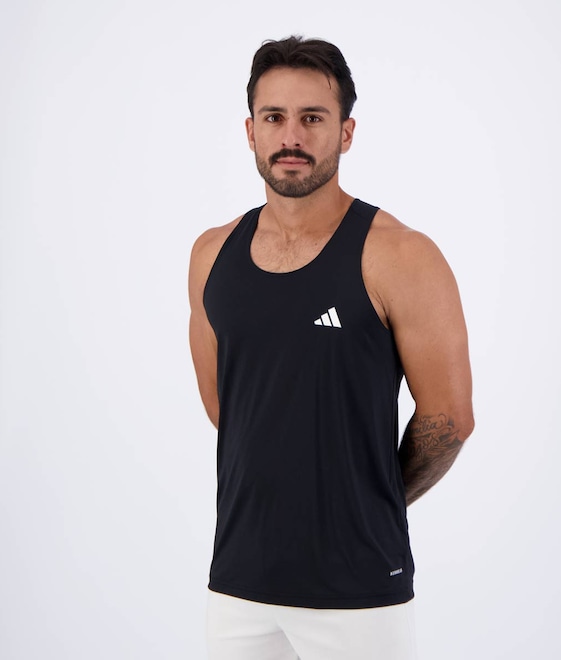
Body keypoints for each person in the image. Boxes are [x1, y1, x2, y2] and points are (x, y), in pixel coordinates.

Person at [188, 35, 474, 660]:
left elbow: (450, 420)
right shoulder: (211, 254)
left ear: (346, 133)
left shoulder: (401, 255)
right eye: (274, 117)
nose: (291, 136)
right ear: (250, 131)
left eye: (312, 118)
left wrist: (367, 496)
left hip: (358, 593)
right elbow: (227, 409)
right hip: (238, 585)